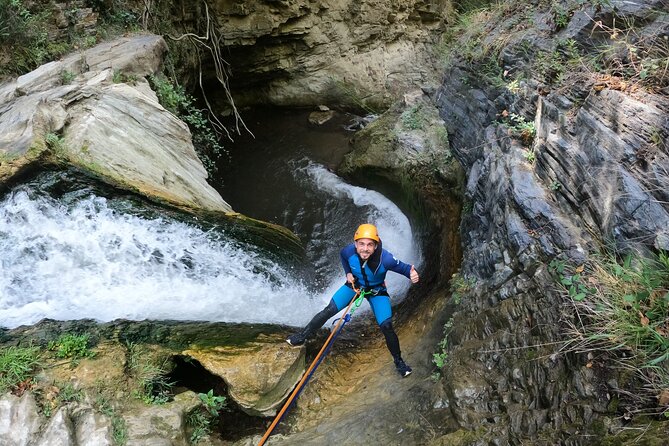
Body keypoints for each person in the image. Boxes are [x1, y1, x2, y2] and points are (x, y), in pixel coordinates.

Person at [286, 223, 419, 377]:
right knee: (329, 310)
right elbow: (343, 257)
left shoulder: (386, 259)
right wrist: (348, 273)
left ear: (376, 246)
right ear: (355, 244)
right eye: (361, 244)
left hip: (376, 291)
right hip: (354, 285)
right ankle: (302, 336)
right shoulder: (348, 251)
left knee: (387, 326)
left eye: (370, 245)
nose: (365, 248)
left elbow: (405, 268)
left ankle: (399, 362)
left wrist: (413, 274)